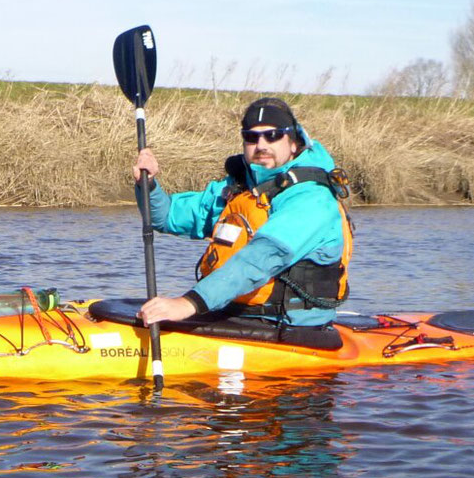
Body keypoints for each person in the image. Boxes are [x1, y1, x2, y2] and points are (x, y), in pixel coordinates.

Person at [130, 96, 354, 330]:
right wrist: (149, 186)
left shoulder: (311, 199)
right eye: (251, 137)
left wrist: (188, 303)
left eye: (273, 135)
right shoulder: (240, 189)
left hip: (291, 329)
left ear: (294, 143)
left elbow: (261, 258)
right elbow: (166, 216)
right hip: (233, 314)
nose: (261, 145)